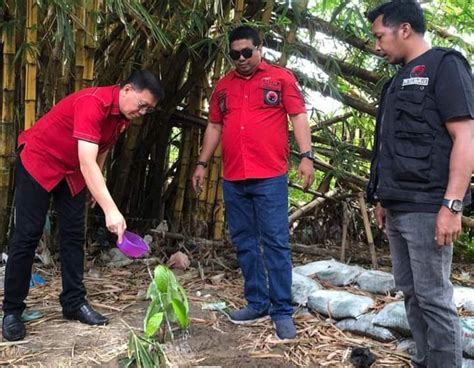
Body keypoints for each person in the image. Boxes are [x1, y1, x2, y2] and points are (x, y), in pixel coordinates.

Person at [2, 70, 164, 341]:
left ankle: (74, 303)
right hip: (40, 159)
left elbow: (101, 150)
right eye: (142, 104)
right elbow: (87, 161)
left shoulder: (122, 116)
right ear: (126, 90)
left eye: (149, 109)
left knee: (75, 235)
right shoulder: (94, 103)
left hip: (73, 170)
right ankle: (12, 311)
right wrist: (110, 208)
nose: (143, 112)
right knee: (27, 235)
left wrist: (94, 185)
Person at [366, 1, 474, 367]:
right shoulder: (396, 81)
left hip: (429, 207)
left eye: (380, 36)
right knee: (411, 294)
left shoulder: (445, 66)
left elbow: (466, 137)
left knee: (434, 298)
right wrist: (381, 197)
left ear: (405, 29)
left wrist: (452, 205)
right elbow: (390, 146)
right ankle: (425, 361)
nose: (376, 45)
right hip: (397, 206)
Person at [192, 25, 315, 340]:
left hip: (270, 176)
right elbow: (215, 126)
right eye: (235, 54)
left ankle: (282, 310)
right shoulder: (223, 86)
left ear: (261, 48)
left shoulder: (281, 79)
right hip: (234, 177)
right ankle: (257, 303)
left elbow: (298, 116)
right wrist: (202, 163)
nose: (242, 59)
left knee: (275, 243)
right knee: (245, 242)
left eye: (247, 52)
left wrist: (306, 156)